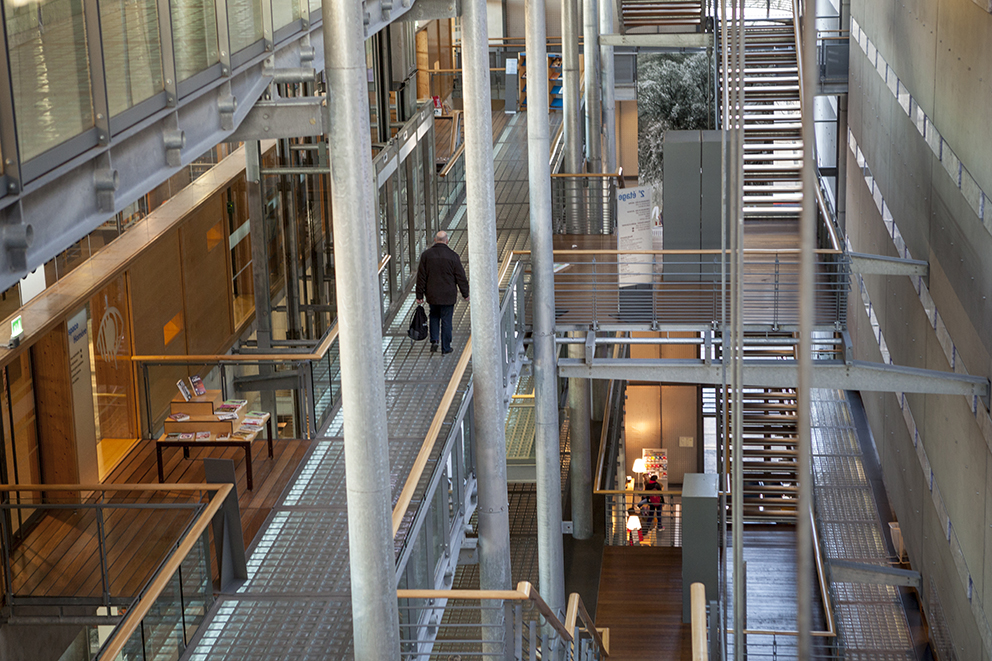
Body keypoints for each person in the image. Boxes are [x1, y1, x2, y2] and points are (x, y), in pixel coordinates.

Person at [416, 231, 469, 354]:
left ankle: (434, 340)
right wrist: (465, 294)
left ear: (435, 240)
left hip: (432, 294)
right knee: (446, 320)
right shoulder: (453, 256)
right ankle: (446, 347)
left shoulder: (426, 256)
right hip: (448, 295)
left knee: (434, 316)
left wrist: (419, 295)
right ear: (447, 241)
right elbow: (460, 277)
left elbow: (421, 277)